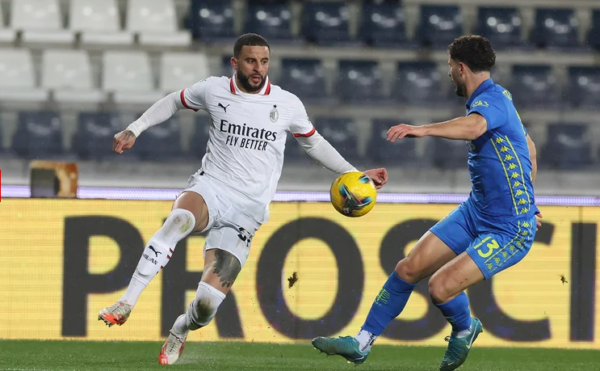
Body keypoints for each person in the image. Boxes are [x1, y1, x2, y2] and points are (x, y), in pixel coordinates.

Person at [97, 33, 388, 365]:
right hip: (212, 188)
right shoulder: (213, 89)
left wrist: (356, 174)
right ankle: (126, 302)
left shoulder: (287, 103)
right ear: (235, 63)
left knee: (206, 306)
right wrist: (135, 128)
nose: (258, 69)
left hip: (247, 212)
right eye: (251, 61)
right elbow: (174, 101)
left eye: (264, 62)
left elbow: (314, 144)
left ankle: (181, 328)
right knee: (178, 219)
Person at [312, 35, 541, 371]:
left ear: (461, 68)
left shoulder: (490, 102)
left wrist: (422, 129)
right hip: (476, 211)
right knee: (409, 268)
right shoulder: (498, 100)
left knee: (439, 288)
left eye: (451, 67)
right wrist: (532, 200)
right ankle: (361, 343)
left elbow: (476, 127)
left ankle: (465, 328)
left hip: (510, 228)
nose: (450, 74)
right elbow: (530, 147)